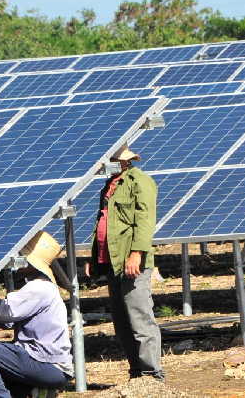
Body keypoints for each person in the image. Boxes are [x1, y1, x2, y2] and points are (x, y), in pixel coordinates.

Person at [0, 230, 73, 398]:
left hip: (47, 365)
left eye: (22, 255)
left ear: (32, 262)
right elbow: (5, 322)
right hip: (49, 365)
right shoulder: (42, 287)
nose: (17, 259)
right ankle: (32, 392)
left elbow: (3, 312)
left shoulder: (39, 289)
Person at [84, 144, 163, 380]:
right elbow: (104, 225)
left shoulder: (140, 182)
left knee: (139, 318)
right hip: (113, 263)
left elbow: (145, 221)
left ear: (124, 161)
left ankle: (153, 375)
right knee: (122, 321)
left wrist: (136, 253)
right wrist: (93, 258)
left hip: (132, 263)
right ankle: (136, 373)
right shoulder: (109, 186)